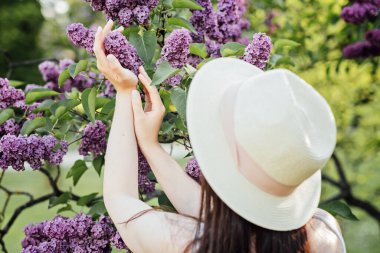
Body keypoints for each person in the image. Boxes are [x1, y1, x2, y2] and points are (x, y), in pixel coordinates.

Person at [94, 20, 346, 253]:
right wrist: (151, 147)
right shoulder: (325, 234)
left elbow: (120, 198)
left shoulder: (187, 243)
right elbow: (221, 212)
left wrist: (124, 91)